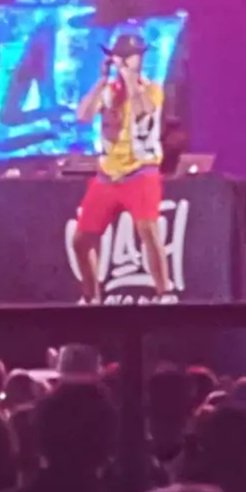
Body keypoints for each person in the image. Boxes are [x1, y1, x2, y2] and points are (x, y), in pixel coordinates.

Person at [74, 33, 169, 302]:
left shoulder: (151, 89)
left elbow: (142, 110)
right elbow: (83, 116)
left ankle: (165, 292)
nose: (124, 62)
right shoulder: (108, 92)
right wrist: (101, 80)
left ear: (140, 59)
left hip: (141, 171)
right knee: (81, 240)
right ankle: (91, 297)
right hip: (108, 174)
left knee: (148, 230)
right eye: (120, 57)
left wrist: (129, 80)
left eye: (130, 57)